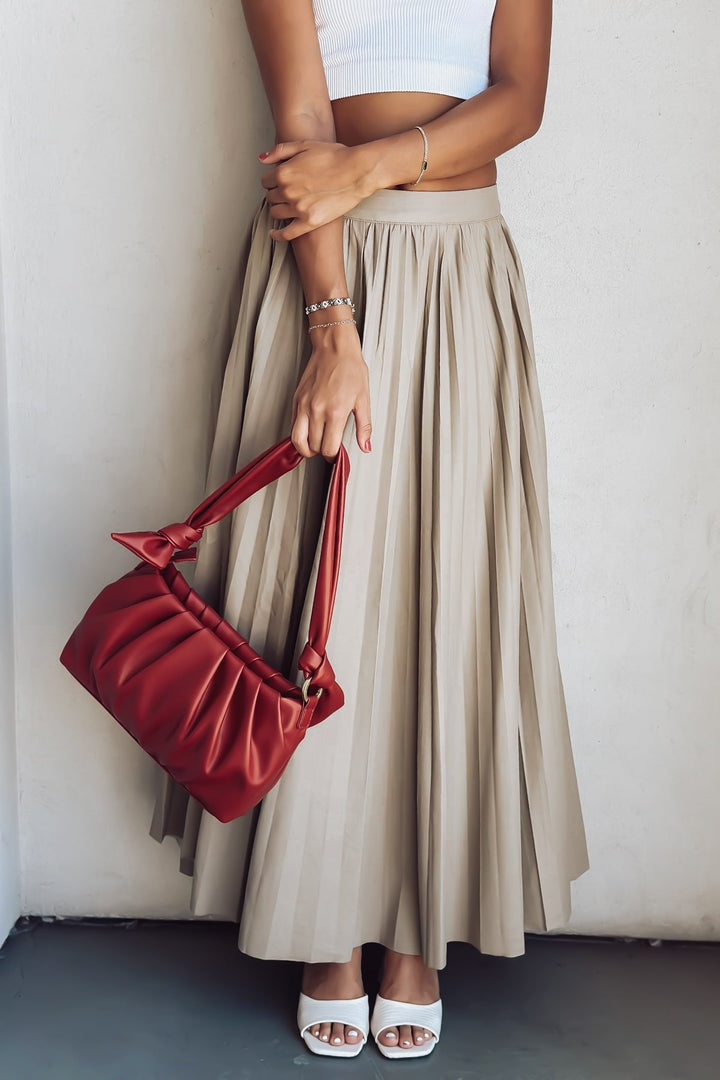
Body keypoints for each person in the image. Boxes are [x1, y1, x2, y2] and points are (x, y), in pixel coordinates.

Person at [149, 0, 590, 1060]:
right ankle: (322, 925)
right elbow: (302, 117)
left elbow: (520, 98)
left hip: (464, 276)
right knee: (322, 608)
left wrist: (371, 163)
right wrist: (331, 328)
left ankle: (416, 928)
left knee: (448, 596)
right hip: (329, 277)